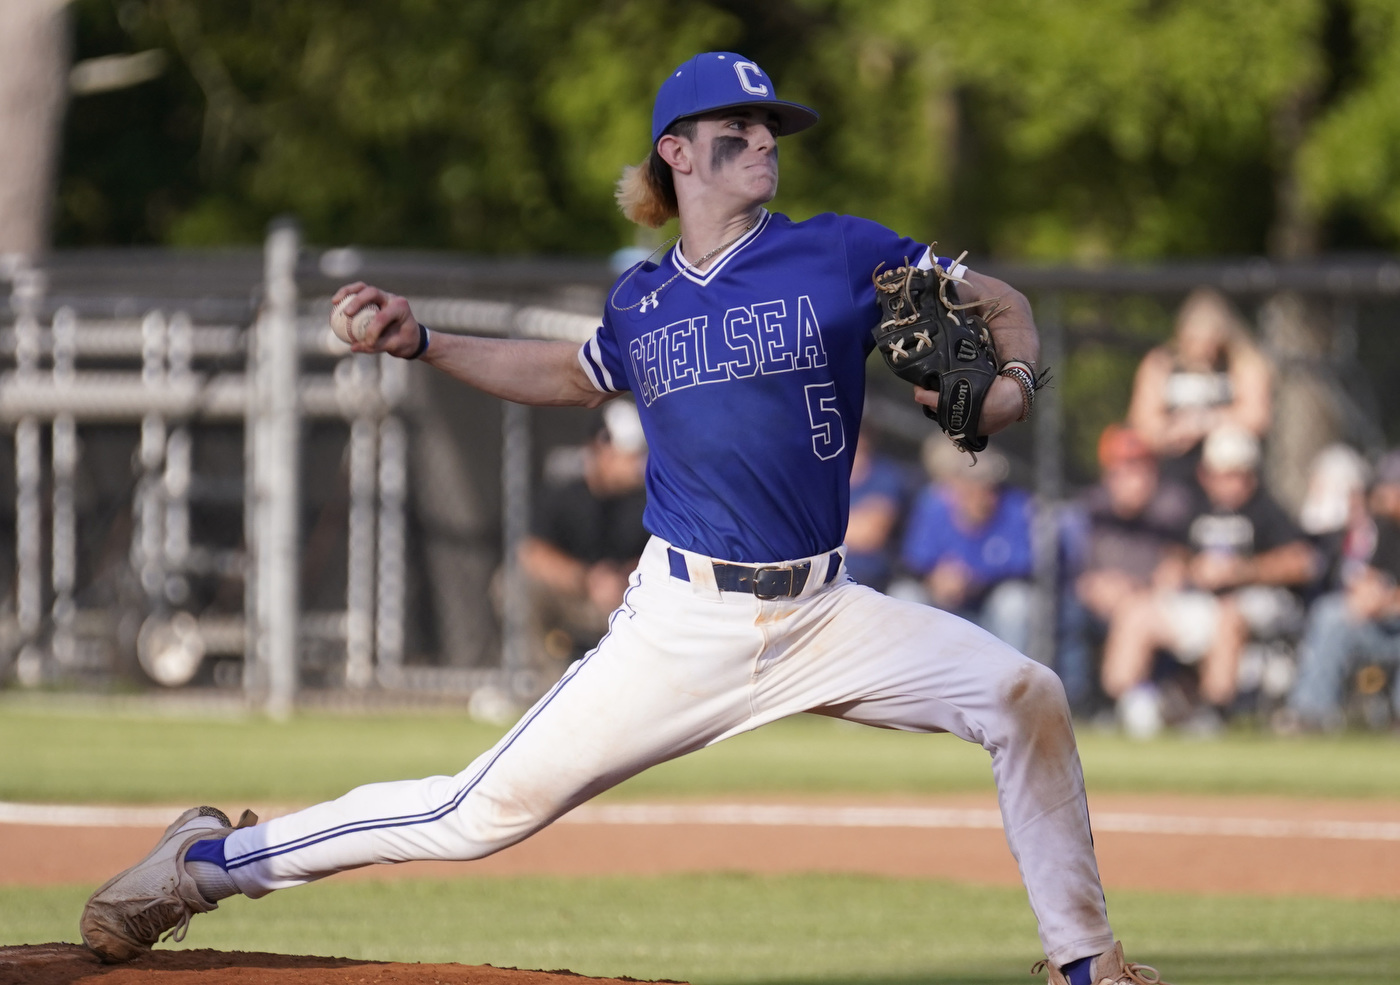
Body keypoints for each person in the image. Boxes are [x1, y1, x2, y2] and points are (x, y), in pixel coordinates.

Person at [80, 52, 1163, 985]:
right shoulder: (642, 304)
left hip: (824, 610)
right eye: (733, 131)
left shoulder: (839, 251)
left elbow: (1004, 308)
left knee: (1024, 692)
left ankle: (1086, 961)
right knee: (473, 814)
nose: (761, 142)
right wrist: (423, 342)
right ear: (675, 156)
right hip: (683, 622)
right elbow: (563, 371)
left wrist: (1010, 384)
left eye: (770, 128)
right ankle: (204, 863)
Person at [1100, 425, 1317, 733]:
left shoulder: (1266, 509)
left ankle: (1214, 711)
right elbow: (1176, 556)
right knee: (1136, 611)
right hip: (1202, 600)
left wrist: (1243, 571)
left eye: (1236, 473)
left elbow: (1303, 562)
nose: (1228, 482)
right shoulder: (1196, 508)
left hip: (1258, 602)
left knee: (1231, 612)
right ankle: (1128, 703)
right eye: (1220, 473)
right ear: (1205, 474)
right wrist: (1183, 570)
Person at [1062, 424, 1193, 715]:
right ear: (1109, 474)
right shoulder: (1091, 511)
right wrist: (1099, 586)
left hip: (1152, 605)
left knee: (1137, 611)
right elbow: (1079, 578)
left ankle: (1130, 697)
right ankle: (1102, 701)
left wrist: (1153, 583)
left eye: (1142, 469)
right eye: (1125, 470)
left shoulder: (1171, 506)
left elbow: (1178, 567)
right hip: (1097, 603)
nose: (1136, 480)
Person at [518, 400, 650, 673]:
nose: (636, 463)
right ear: (599, 448)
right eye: (626, 453)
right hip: (578, 597)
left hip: (628, 598)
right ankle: (547, 681)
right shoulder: (566, 494)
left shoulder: (651, 499)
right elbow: (533, 552)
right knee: (513, 587)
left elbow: (666, 551)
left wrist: (623, 578)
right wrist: (587, 579)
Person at [1287, 451, 1400, 730]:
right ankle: (1311, 714)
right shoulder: (1388, 530)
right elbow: (1369, 583)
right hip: (1386, 625)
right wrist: (1372, 597)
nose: (1385, 495)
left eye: (1392, 487)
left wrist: (1388, 601)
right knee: (1331, 613)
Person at [901, 439, 1035, 654]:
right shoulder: (934, 504)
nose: (984, 496)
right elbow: (912, 562)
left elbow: (1025, 570)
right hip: (941, 602)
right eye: (974, 485)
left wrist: (973, 580)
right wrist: (934, 578)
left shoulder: (1015, 507)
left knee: (1015, 602)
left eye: (990, 486)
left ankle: (1008, 681)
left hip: (988, 605)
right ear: (957, 486)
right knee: (905, 595)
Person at [1126, 287, 1271, 483]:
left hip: (1231, 470)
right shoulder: (1160, 363)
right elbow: (1142, 421)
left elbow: (1256, 416)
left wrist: (1203, 423)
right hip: (1174, 464)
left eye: (1210, 343)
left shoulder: (1241, 362)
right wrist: (1172, 432)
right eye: (1194, 340)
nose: (1203, 351)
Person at [841, 427, 910, 593]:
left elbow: (870, 535)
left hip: (863, 579)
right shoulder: (819, 469)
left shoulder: (886, 476)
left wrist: (818, 527)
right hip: (814, 573)